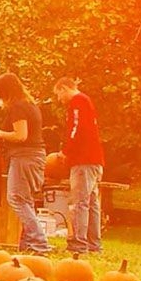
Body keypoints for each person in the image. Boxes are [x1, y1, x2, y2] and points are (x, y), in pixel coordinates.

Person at [0, 73, 49, 253]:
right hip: (34, 156)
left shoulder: (18, 107)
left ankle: (39, 242)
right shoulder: (31, 105)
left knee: (15, 198)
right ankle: (27, 244)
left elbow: (21, 135)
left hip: (25, 156)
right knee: (26, 200)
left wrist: (1, 134)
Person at [54, 78, 105, 254]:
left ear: (64, 88)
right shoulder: (87, 102)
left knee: (78, 203)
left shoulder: (78, 101)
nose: (59, 99)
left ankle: (78, 243)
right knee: (92, 203)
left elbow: (76, 128)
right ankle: (94, 244)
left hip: (83, 160)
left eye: (58, 94)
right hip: (95, 160)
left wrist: (66, 150)